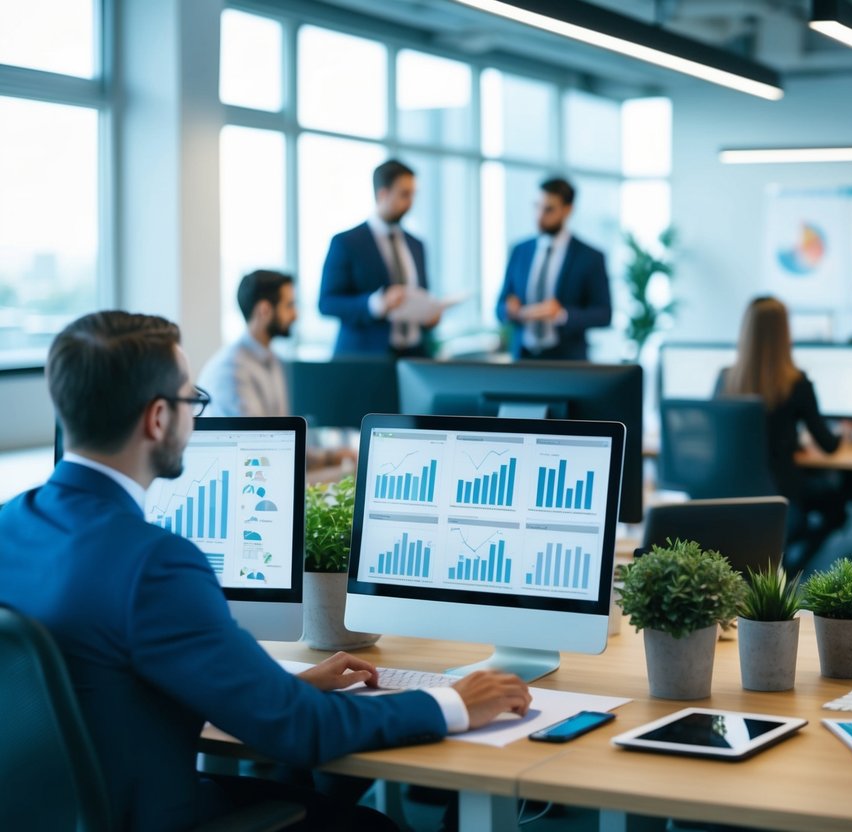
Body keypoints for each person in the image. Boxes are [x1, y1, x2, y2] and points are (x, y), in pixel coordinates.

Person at [0, 311, 531, 831]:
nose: (195, 418)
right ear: (157, 418)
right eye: (192, 401)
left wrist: (278, 683)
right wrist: (453, 703)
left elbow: (110, 673)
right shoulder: (156, 564)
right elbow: (301, 732)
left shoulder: (9, 525)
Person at [715, 297, 843, 572]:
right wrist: (846, 432)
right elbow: (828, 445)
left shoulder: (725, 379)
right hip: (781, 496)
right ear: (785, 332)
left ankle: (780, 568)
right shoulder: (796, 382)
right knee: (837, 505)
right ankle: (794, 567)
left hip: (732, 497)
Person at [199, 269, 353, 469]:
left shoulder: (272, 360)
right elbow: (260, 447)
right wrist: (328, 458)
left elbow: (281, 441)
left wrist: (330, 457)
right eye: (289, 306)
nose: (295, 314)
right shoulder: (232, 370)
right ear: (264, 310)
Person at [319, 159, 439, 358]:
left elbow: (423, 294)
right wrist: (376, 304)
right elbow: (327, 303)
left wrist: (430, 314)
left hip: (415, 354)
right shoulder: (347, 243)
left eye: (413, 195)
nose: (410, 202)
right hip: (367, 358)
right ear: (383, 194)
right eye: (404, 194)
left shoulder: (417, 245)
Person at [495, 177, 611, 360]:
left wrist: (562, 314)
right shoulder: (519, 251)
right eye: (536, 206)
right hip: (523, 358)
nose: (539, 215)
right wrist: (509, 309)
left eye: (548, 209)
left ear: (567, 210)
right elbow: (500, 304)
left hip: (567, 361)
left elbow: (604, 314)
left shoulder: (590, 257)